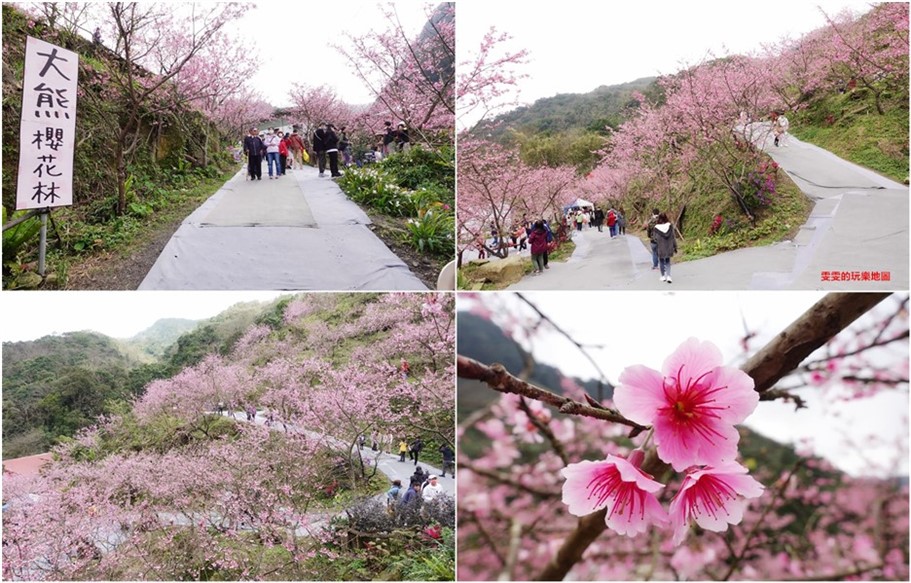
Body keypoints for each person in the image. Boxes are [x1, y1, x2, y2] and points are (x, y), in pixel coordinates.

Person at [654, 212, 677, 283]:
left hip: (661, 247)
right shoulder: (670, 226)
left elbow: (655, 238)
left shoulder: (656, 228)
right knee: (667, 261)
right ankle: (669, 276)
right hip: (669, 246)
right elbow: (673, 237)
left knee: (661, 261)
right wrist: (675, 246)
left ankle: (663, 276)